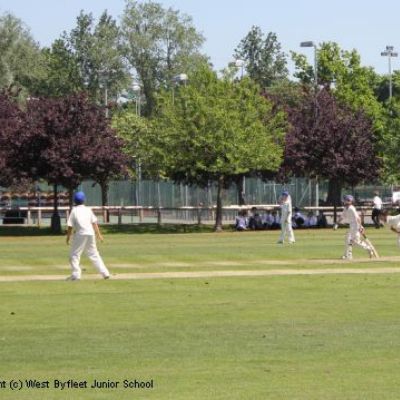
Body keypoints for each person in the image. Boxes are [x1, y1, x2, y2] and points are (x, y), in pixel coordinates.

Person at [66, 191, 110, 280]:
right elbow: (94, 223)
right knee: (94, 254)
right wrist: (99, 235)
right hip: (90, 233)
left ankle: (76, 274)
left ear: (74, 201)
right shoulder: (88, 209)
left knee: (74, 255)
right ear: (84, 200)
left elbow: (70, 226)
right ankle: (105, 273)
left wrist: (68, 237)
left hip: (80, 234)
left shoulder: (74, 210)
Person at [336, 194, 374, 260]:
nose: (344, 201)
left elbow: (358, 218)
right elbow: (342, 216)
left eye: (345, 200)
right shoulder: (346, 208)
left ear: (349, 201)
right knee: (349, 239)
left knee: (354, 241)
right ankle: (348, 255)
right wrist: (336, 223)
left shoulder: (351, 208)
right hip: (352, 225)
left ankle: (368, 249)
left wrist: (360, 226)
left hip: (355, 225)